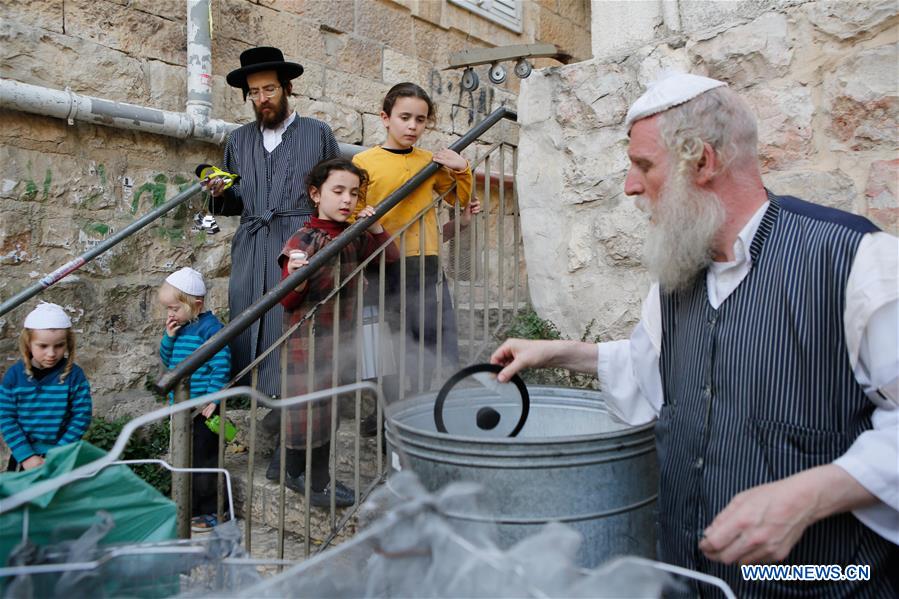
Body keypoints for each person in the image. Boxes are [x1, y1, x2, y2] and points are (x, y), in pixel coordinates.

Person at [491, 73, 898, 595]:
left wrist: (813, 494)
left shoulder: (857, 262)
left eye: (642, 166)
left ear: (701, 162)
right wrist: (560, 353)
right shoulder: (678, 277)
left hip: (816, 578)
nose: (630, 186)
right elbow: (655, 371)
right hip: (689, 576)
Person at [206, 46, 340, 398]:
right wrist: (219, 193)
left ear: (286, 88)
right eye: (254, 92)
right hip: (252, 242)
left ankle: (294, 394)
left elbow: (335, 187)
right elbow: (235, 202)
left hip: (300, 240)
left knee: (293, 317)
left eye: (270, 89)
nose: (262, 98)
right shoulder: (238, 140)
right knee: (247, 313)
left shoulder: (318, 132)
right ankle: (249, 390)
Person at [275, 158, 399, 507]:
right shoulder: (305, 238)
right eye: (338, 191)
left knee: (327, 412)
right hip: (307, 340)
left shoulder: (350, 236)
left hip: (339, 340)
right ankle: (311, 481)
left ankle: (304, 474)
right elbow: (286, 300)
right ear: (316, 194)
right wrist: (296, 274)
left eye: (354, 194)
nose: (347, 200)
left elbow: (389, 258)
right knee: (306, 413)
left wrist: (374, 228)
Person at [352, 82, 473, 394]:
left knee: (427, 340)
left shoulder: (429, 162)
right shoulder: (364, 162)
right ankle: (385, 409)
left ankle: (418, 402)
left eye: (420, 120)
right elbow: (352, 213)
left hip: (425, 265)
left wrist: (462, 169)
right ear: (385, 117)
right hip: (381, 265)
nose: (412, 126)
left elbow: (458, 200)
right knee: (383, 344)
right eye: (405, 117)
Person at [158, 267, 231, 531]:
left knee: (204, 462)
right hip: (181, 408)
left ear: (196, 304)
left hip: (202, 410)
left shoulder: (210, 329)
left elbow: (221, 365)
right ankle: (189, 507)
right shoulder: (182, 328)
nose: (170, 314)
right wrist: (168, 338)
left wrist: (213, 399)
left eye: (175, 308)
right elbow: (169, 363)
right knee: (184, 459)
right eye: (168, 309)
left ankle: (212, 511)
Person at [0, 302, 92, 472]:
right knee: (23, 498)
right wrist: (27, 456)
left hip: (62, 457)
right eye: (43, 346)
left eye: (59, 346)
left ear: (67, 344)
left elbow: (81, 416)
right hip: (25, 460)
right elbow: (6, 417)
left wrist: (58, 453)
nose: (51, 353)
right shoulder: (14, 377)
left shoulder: (74, 376)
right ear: (28, 343)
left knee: (60, 498)